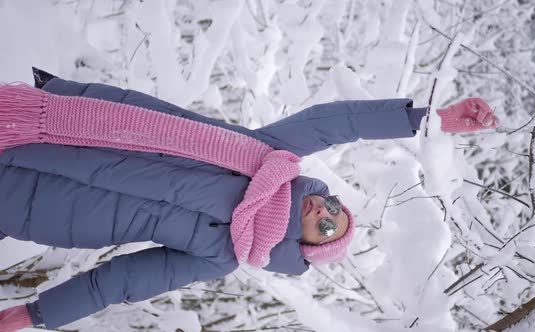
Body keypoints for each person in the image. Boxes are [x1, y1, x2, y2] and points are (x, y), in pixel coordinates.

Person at [0, 68, 499, 331]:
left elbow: (122, 281)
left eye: (327, 228)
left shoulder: (225, 254)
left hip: (41, 207)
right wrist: (429, 120)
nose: (324, 213)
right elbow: (336, 121)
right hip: (63, 130)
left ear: (306, 247)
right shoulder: (267, 155)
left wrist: (38, 315)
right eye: (335, 210)